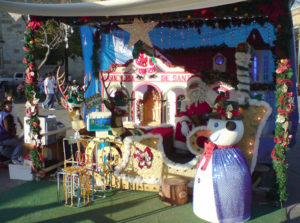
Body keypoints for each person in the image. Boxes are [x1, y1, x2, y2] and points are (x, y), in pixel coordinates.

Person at [174, 75, 220, 153]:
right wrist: (184, 123)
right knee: (180, 124)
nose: (194, 87)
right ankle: (182, 148)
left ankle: (211, 148)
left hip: (208, 124)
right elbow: (183, 114)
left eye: (196, 84)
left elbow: (220, 102)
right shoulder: (185, 102)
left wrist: (209, 91)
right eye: (191, 86)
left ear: (201, 85)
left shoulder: (208, 96)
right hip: (193, 124)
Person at [0, 100, 23, 164]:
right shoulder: (7, 116)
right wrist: (16, 137)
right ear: (4, 106)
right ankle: (14, 158)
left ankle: (4, 157)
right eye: (8, 105)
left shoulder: (1, 114)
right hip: (5, 138)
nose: (11, 106)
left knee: (12, 145)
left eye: (11, 105)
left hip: (2, 138)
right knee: (21, 143)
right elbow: (8, 129)